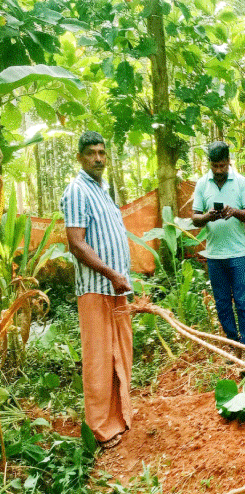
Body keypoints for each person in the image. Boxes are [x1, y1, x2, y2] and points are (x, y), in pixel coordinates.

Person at [61, 131, 133, 449]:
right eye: (91, 153)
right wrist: (110, 273)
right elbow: (76, 243)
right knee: (99, 359)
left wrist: (120, 277)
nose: (98, 158)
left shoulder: (102, 188)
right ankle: (100, 429)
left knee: (122, 353)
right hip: (96, 288)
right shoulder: (77, 190)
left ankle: (120, 417)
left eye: (102, 152)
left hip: (117, 288)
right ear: (79, 157)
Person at [192, 142, 245, 348]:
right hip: (215, 256)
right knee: (222, 304)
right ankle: (233, 344)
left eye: (222, 166)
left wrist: (234, 211)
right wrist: (208, 216)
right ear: (209, 163)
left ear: (229, 161)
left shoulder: (240, 182)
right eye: (215, 166)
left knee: (243, 302)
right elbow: (194, 218)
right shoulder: (202, 184)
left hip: (237, 254)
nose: (219, 171)